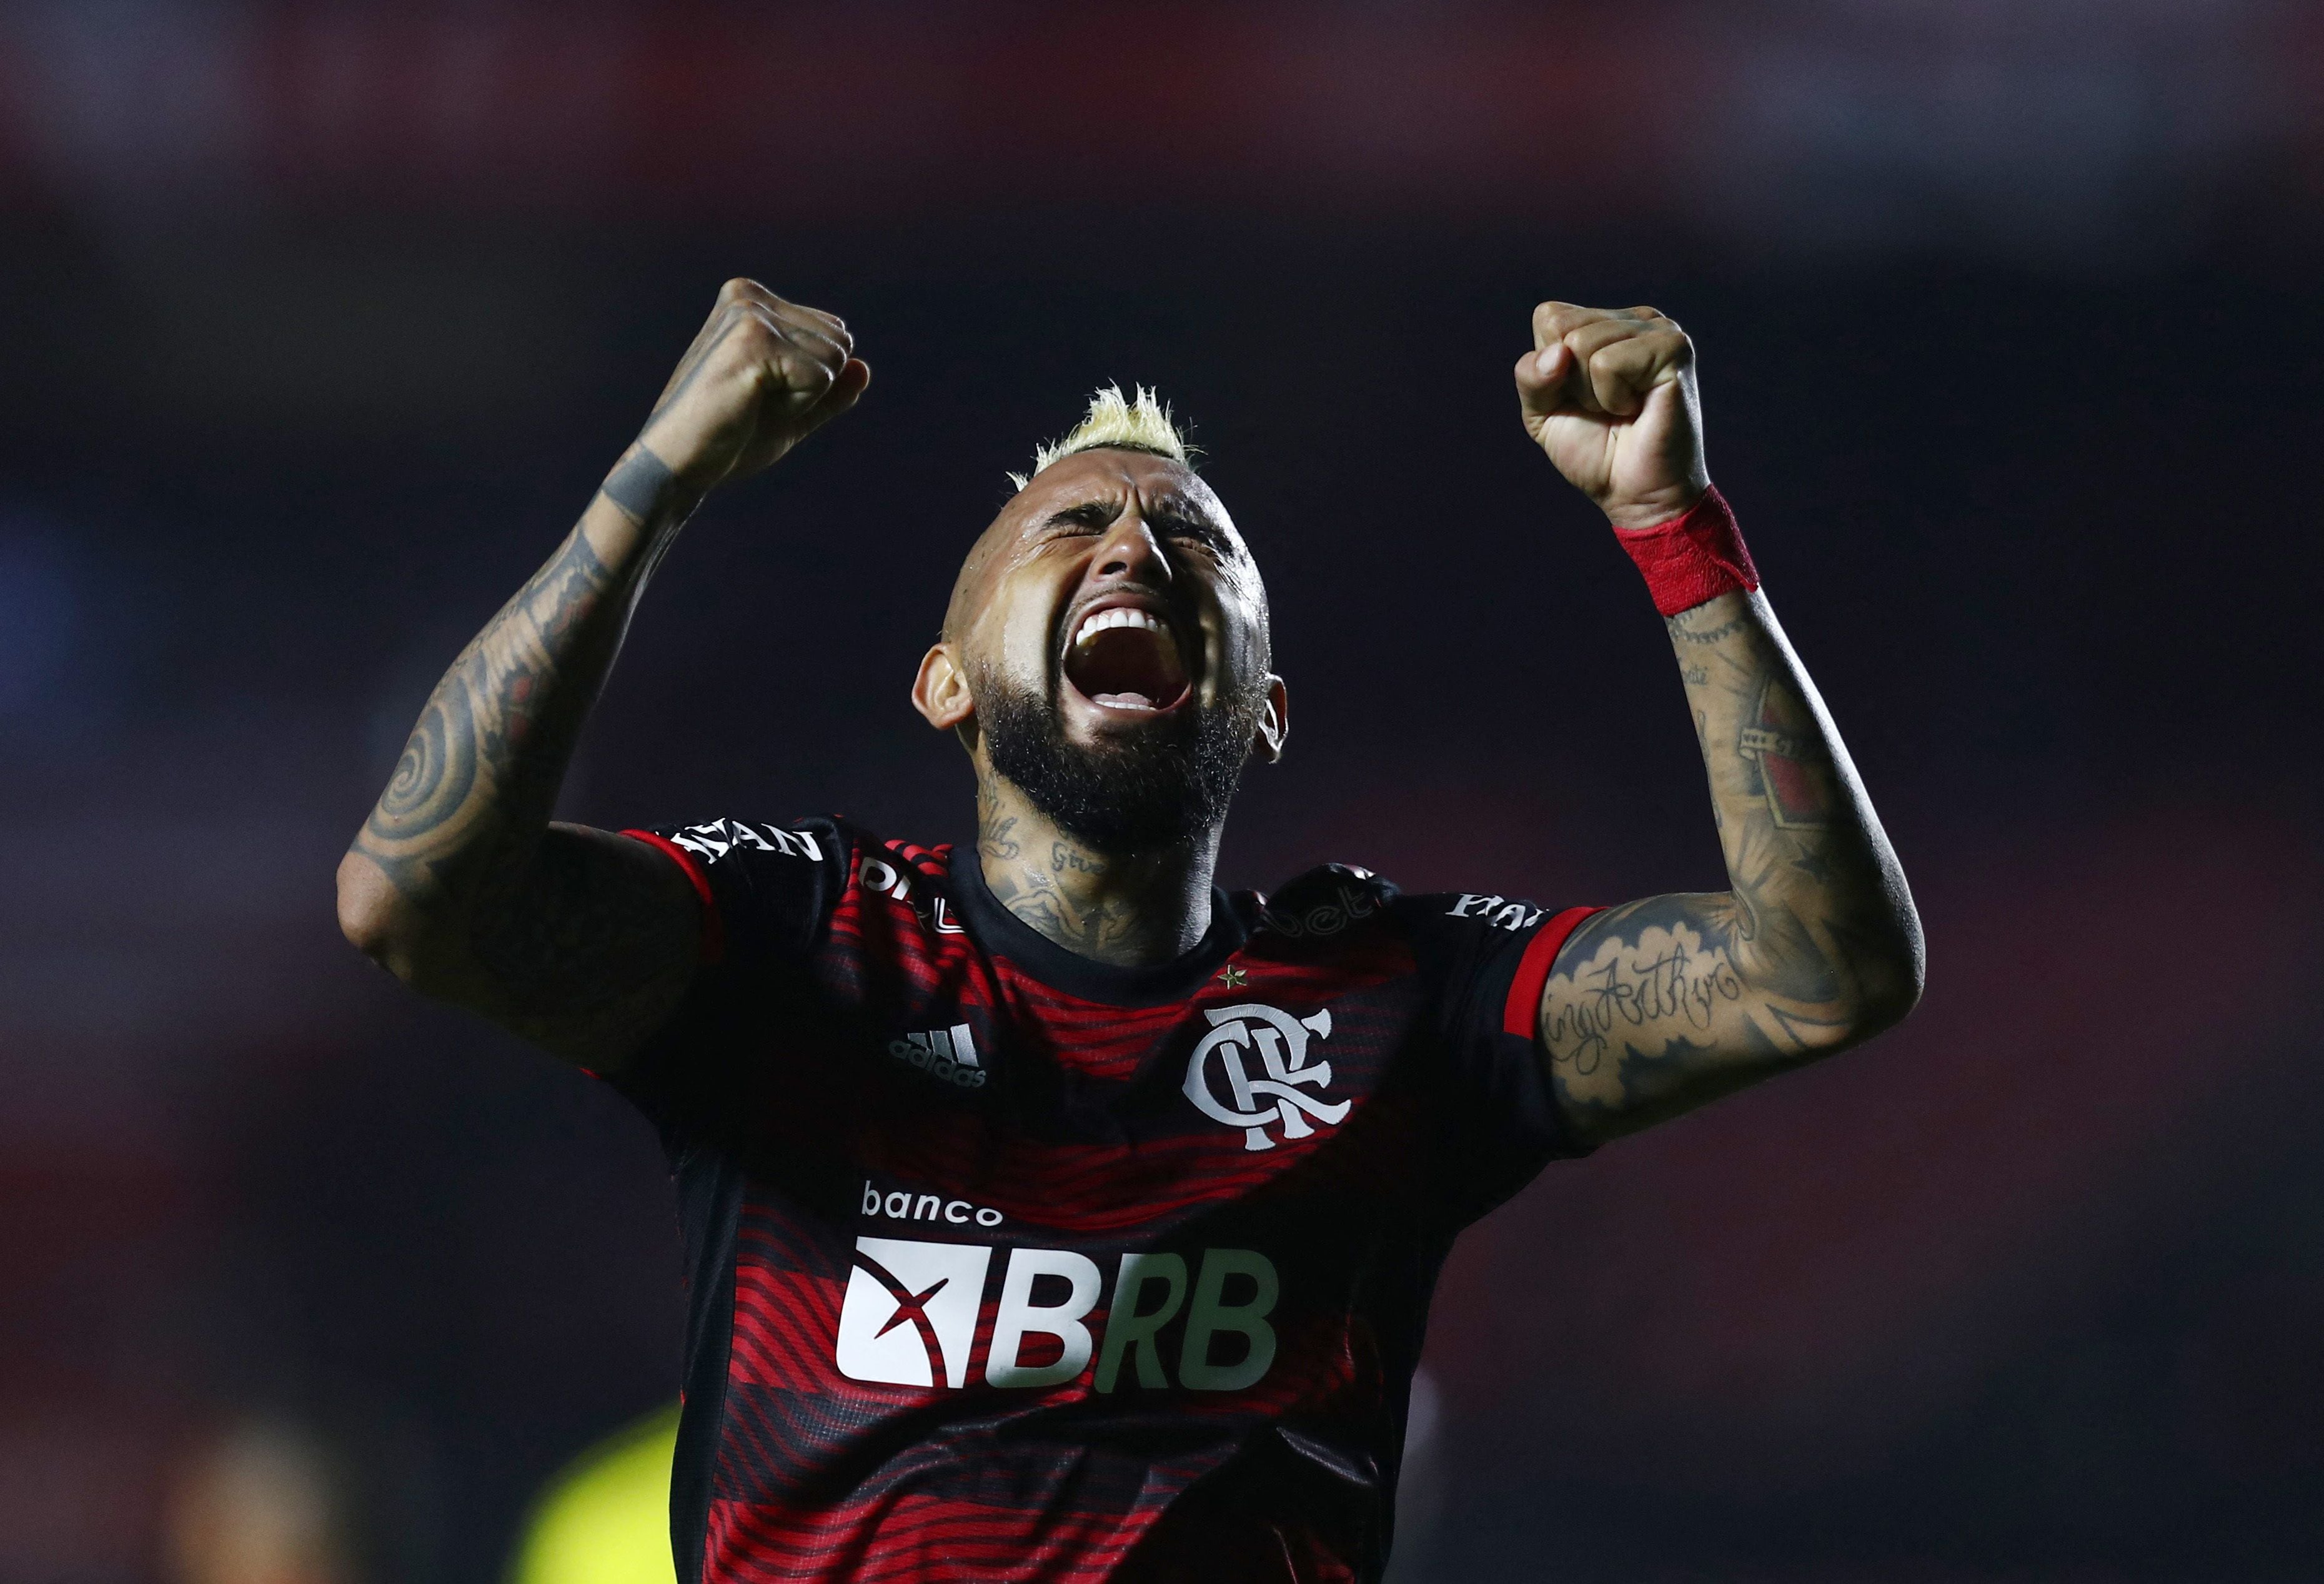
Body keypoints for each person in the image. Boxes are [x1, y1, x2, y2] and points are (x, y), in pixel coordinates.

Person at [337, 279, 1922, 1583]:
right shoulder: (798, 944)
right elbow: (416, 895)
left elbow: (1825, 969)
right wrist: (656, 478)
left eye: (1202, 545)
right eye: (1067, 525)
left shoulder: (1398, 1000)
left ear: (1268, 708)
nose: (1137, 546)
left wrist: (1675, 523)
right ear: (945, 682)